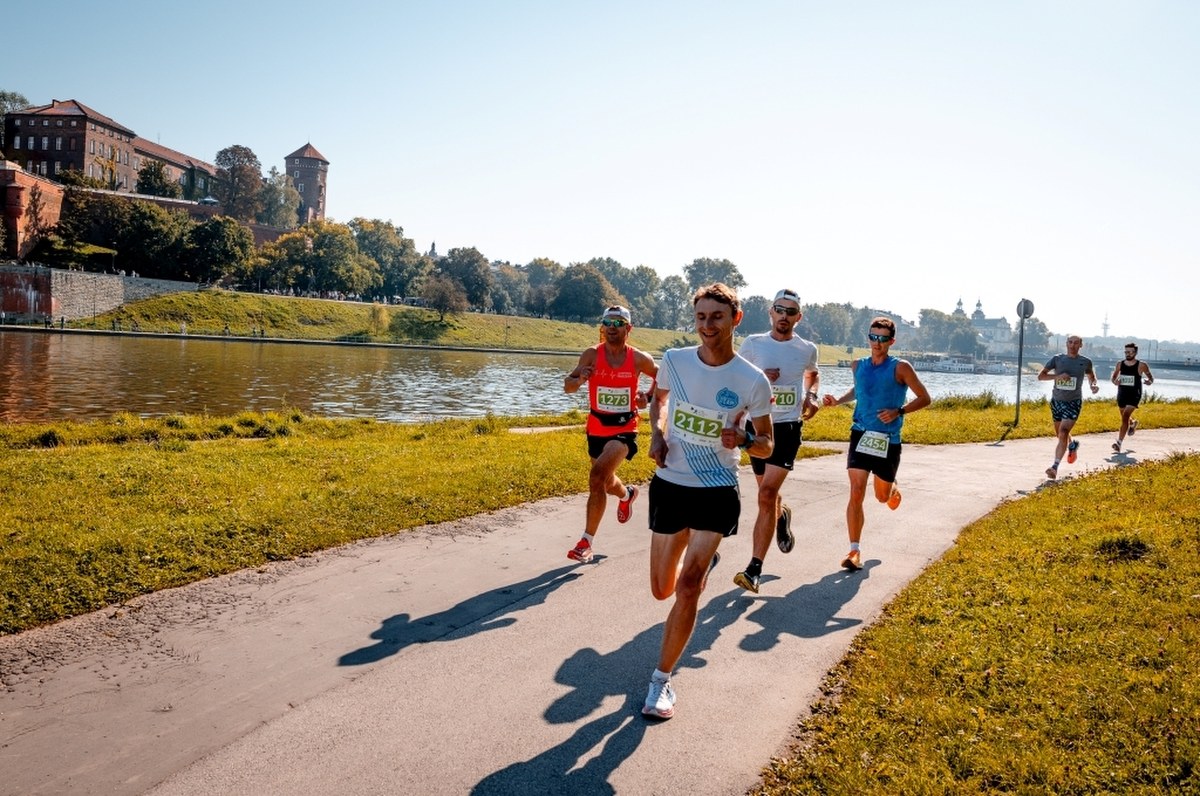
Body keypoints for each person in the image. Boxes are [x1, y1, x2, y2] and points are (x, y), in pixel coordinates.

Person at [641, 283, 774, 719]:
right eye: (700, 317)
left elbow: (767, 445)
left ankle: (661, 681)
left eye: (716, 317)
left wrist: (746, 437)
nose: (707, 326)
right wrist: (658, 435)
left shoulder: (751, 381)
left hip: (717, 488)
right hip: (671, 483)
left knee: (689, 585)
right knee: (662, 588)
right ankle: (698, 561)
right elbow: (658, 402)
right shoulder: (675, 362)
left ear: (735, 319)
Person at [822, 317, 930, 571]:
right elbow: (858, 390)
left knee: (881, 497)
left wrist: (898, 411)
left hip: (887, 440)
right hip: (860, 434)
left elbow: (925, 398)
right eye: (873, 337)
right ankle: (854, 551)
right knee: (856, 491)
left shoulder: (901, 368)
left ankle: (891, 489)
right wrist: (838, 400)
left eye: (882, 338)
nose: (876, 343)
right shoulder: (858, 364)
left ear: (891, 341)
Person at [732, 288, 820, 594]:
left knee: (766, 494)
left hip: (787, 428)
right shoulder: (753, 344)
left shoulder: (806, 348)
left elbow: (812, 373)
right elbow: (734, 376)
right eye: (779, 310)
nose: (784, 316)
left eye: (790, 312)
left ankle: (754, 568)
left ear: (799, 317)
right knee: (766, 495)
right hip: (757, 427)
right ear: (771, 312)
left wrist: (811, 395)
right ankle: (782, 517)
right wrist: (759, 377)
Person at [562, 305, 658, 563]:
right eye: (607, 322)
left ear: (628, 328)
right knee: (605, 481)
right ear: (602, 327)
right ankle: (627, 494)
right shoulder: (592, 354)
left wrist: (646, 397)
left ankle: (586, 542)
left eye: (618, 323)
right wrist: (580, 378)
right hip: (596, 427)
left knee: (596, 477)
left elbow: (663, 378)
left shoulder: (639, 359)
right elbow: (568, 387)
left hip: (625, 428)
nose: (612, 328)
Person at [1038, 335, 1100, 479]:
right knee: (1060, 434)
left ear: (1081, 345)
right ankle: (1072, 445)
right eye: (1070, 342)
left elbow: (1091, 376)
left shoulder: (1085, 362)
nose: (1072, 345)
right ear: (1066, 344)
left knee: (1064, 431)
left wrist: (1093, 386)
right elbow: (1041, 376)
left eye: (1076, 343)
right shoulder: (1057, 359)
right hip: (1057, 401)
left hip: (1073, 402)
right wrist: (1057, 377)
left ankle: (1054, 467)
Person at [1110, 342, 1154, 452]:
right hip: (1122, 393)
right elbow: (1114, 377)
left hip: (1134, 394)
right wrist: (1115, 381)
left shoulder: (1141, 365)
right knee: (1124, 416)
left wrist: (1149, 381)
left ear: (1135, 352)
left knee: (1125, 417)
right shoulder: (1120, 364)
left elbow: (1150, 377)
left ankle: (1118, 443)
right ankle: (1133, 423)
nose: (1127, 354)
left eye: (1130, 352)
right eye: (1126, 352)